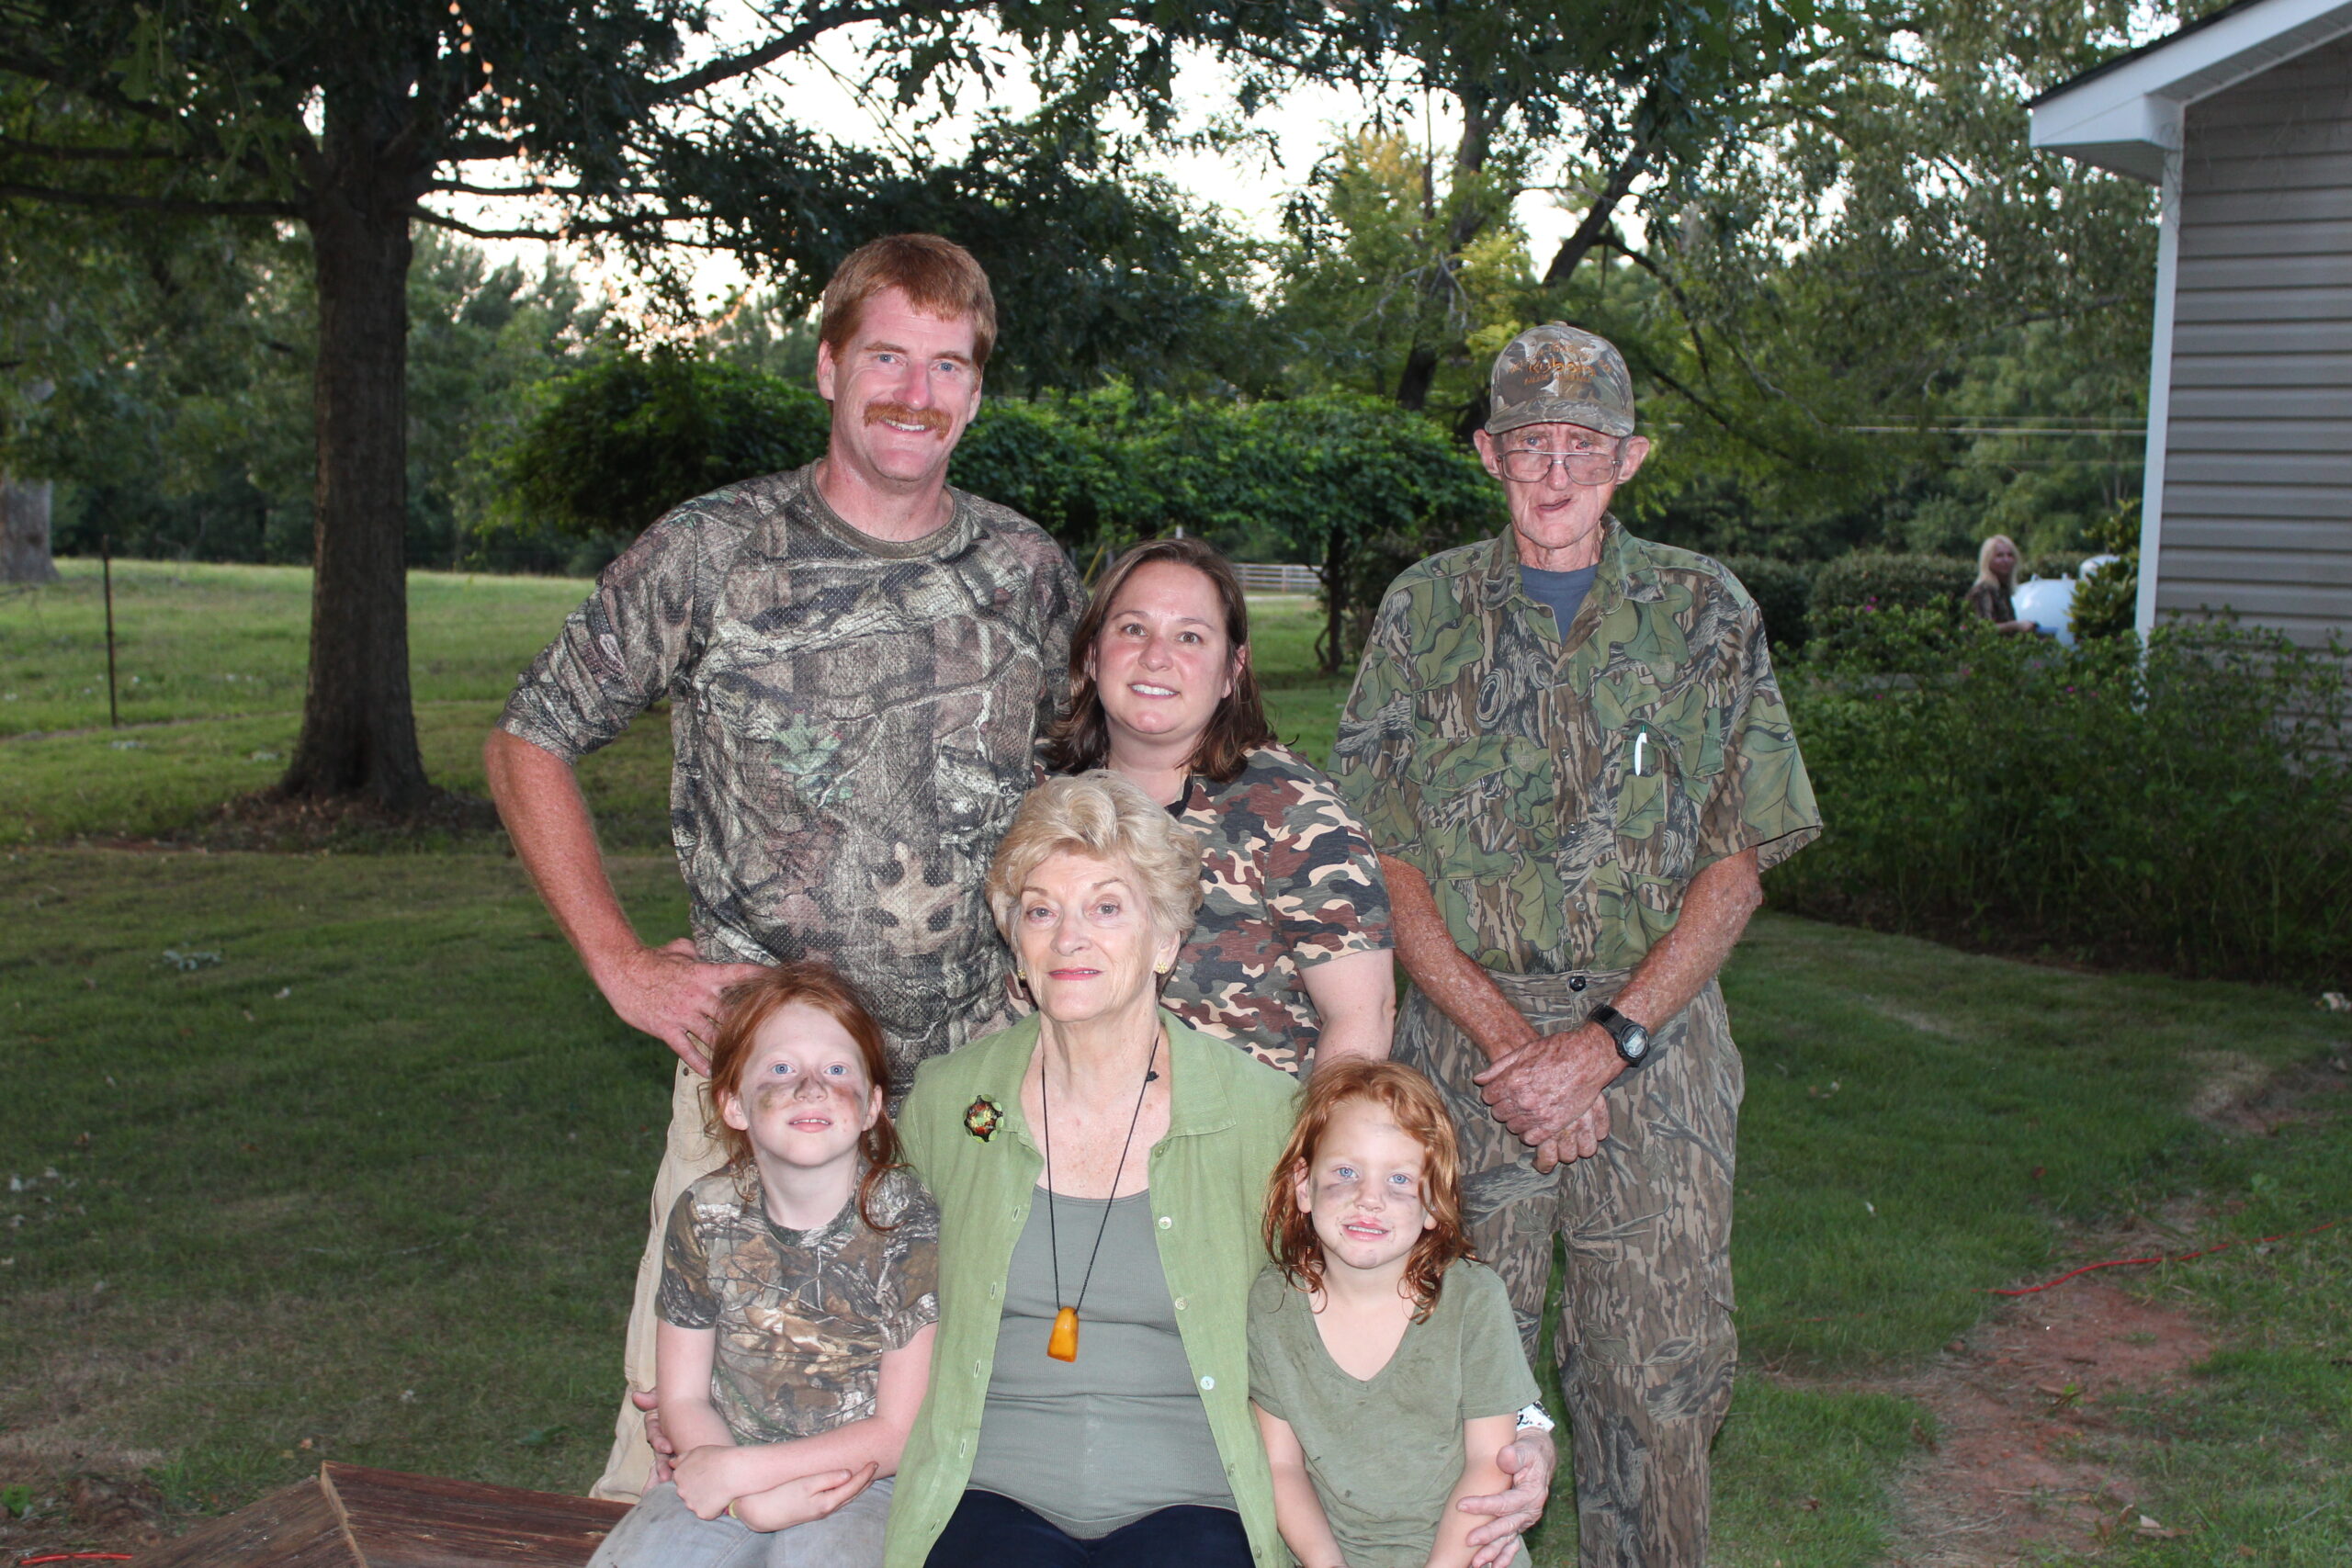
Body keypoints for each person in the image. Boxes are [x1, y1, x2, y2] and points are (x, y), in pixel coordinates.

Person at [485, 233, 1084, 1502]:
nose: (915, 393)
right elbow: (529, 736)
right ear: (827, 364)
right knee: (677, 1429)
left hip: (971, 1087)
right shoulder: (714, 551)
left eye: (948, 364)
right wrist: (619, 962)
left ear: (978, 390)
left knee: (956, 1429)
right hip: (760, 1082)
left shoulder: (1028, 573)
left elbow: (1079, 797)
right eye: (886, 356)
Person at [1330, 322, 1823, 1568]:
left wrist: (1604, 1046)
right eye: (1531, 445)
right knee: (1447, 1377)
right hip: (1463, 1044)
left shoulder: (1706, 610)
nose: (1557, 473)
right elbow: (1382, 854)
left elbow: (1737, 862)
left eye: (1587, 448)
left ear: (1632, 457)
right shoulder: (1423, 608)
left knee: (1656, 1380)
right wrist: (1513, 1043)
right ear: (1490, 452)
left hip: (1655, 1041)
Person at [884, 774, 1543, 1568]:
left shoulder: (1261, 1118)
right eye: (1040, 909)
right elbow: (864, 1289)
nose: (1069, 938)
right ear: (1016, 946)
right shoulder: (954, 1107)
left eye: (1106, 906)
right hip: (988, 1495)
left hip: (1195, 1503)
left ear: (1165, 940)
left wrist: (1527, 1437)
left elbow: (1395, 1281)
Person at [590, 963, 938, 1568]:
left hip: (862, 1481)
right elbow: (683, 1395)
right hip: (718, 1460)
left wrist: (747, 1475)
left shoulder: (904, 1223)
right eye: (781, 1068)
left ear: (872, 1105)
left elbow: (897, 1433)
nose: (810, 1086)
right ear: (732, 1103)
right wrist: (741, 1492)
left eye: (836, 1068)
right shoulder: (704, 1214)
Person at [1043, 537, 1394, 1073]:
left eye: (1190, 637)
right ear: (1092, 652)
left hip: (1242, 1139)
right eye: (1133, 629)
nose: (1156, 657)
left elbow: (1362, 1017)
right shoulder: (1040, 794)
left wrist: (1310, 1150)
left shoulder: (1296, 814)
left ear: (1233, 669)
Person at [1250, 1059, 1540, 1568]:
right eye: (1345, 1172)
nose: (1370, 1199)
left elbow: (1487, 1464)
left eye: (1401, 1180)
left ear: (1434, 1204)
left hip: (1464, 1556)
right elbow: (1281, 1465)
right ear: (1303, 1184)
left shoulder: (1474, 1299)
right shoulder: (1273, 1304)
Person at [1964, 535, 2037, 634]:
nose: (2006, 560)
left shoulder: (2002, 590)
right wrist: (2015, 626)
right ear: (1988, 560)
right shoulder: (1982, 591)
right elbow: (1982, 629)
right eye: (1999, 555)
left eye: (2010, 555)